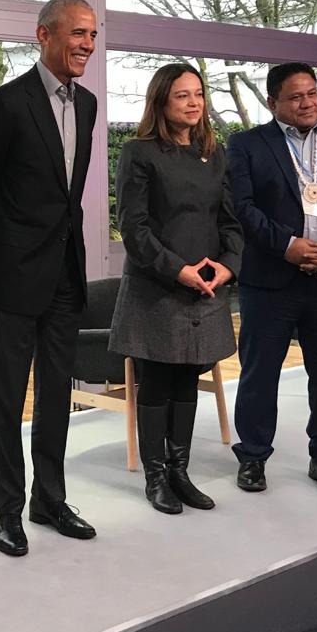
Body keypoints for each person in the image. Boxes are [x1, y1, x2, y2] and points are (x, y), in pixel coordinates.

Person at [0, 0, 98, 557]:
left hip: (65, 274)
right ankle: (7, 510)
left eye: (93, 34)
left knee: (57, 393)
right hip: (13, 275)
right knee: (7, 398)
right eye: (78, 33)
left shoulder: (88, 105)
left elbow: (68, 197)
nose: (87, 44)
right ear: (44, 35)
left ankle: (50, 499)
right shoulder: (4, 105)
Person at [227, 62, 317, 495]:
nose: (307, 103)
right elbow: (242, 208)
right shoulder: (247, 145)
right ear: (272, 102)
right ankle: (253, 457)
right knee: (259, 375)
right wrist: (288, 246)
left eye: (312, 93)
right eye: (295, 97)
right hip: (270, 281)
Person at [108, 64, 243, 515]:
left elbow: (230, 221)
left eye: (198, 94)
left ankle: (180, 472)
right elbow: (134, 227)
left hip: (206, 286)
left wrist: (228, 266)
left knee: (188, 379)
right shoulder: (139, 152)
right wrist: (177, 270)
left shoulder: (214, 153)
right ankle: (155, 477)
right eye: (183, 95)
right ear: (162, 101)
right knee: (156, 382)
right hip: (157, 287)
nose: (193, 102)